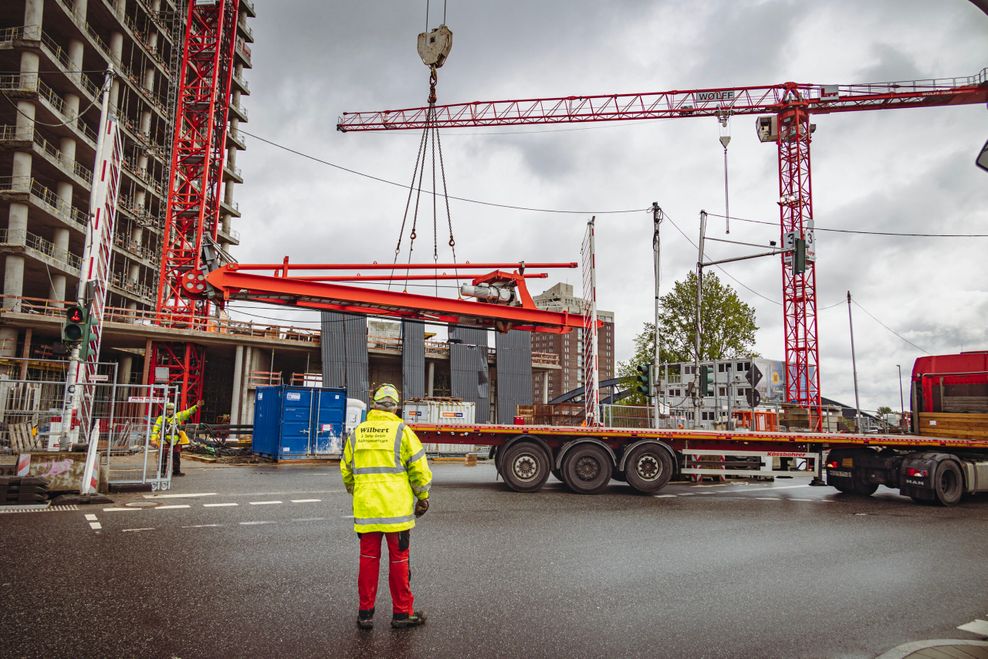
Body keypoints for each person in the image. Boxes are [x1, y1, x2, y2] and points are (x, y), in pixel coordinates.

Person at [341, 383, 432, 630]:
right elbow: (419, 471)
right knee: (399, 561)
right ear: (395, 407)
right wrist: (422, 497)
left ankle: (365, 614)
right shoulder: (403, 432)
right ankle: (402, 614)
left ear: (374, 405)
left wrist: (357, 491)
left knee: (368, 560)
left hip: (367, 509)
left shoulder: (358, 433)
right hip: (397, 513)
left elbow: (346, 470)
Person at [151, 399, 203, 477]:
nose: (169, 411)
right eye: (168, 409)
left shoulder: (178, 416)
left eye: (171, 410)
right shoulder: (161, 418)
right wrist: (153, 439)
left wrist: (196, 407)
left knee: (176, 456)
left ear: (174, 410)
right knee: (163, 456)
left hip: (176, 439)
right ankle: (161, 472)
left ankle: (176, 471)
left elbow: (188, 412)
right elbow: (156, 429)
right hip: (165, 439)